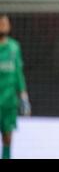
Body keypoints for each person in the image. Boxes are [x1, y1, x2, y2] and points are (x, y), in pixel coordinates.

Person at [0, 14, 31, 159]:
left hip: (9, 101)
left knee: (7, 136)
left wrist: (23, 96)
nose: (4, 25)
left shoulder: (14, 47)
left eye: (6, 23)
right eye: (1, 23)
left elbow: (19, 73)